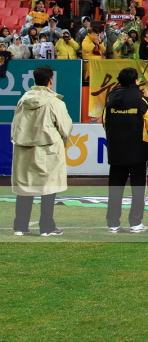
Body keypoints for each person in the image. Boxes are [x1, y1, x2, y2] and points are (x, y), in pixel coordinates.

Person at [10, 65, 73, 236]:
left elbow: (15, 125)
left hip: (24, 150)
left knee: (25, 187)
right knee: (49, 188)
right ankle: (47, 227)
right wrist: (61, 143)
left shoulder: (23, 100)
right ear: (50, 81)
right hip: (48, 149)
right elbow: (65, 127)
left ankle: (20, 227)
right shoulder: (55, 102)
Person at [102, 67, 148, 233]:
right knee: (138, 188)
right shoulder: (143, 101)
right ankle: (135, 223)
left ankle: (113, 223)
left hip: (116, 149)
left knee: (115, 188)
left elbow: (105, 123)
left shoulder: (111, 100)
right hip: (138, 150)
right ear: (136, 81)